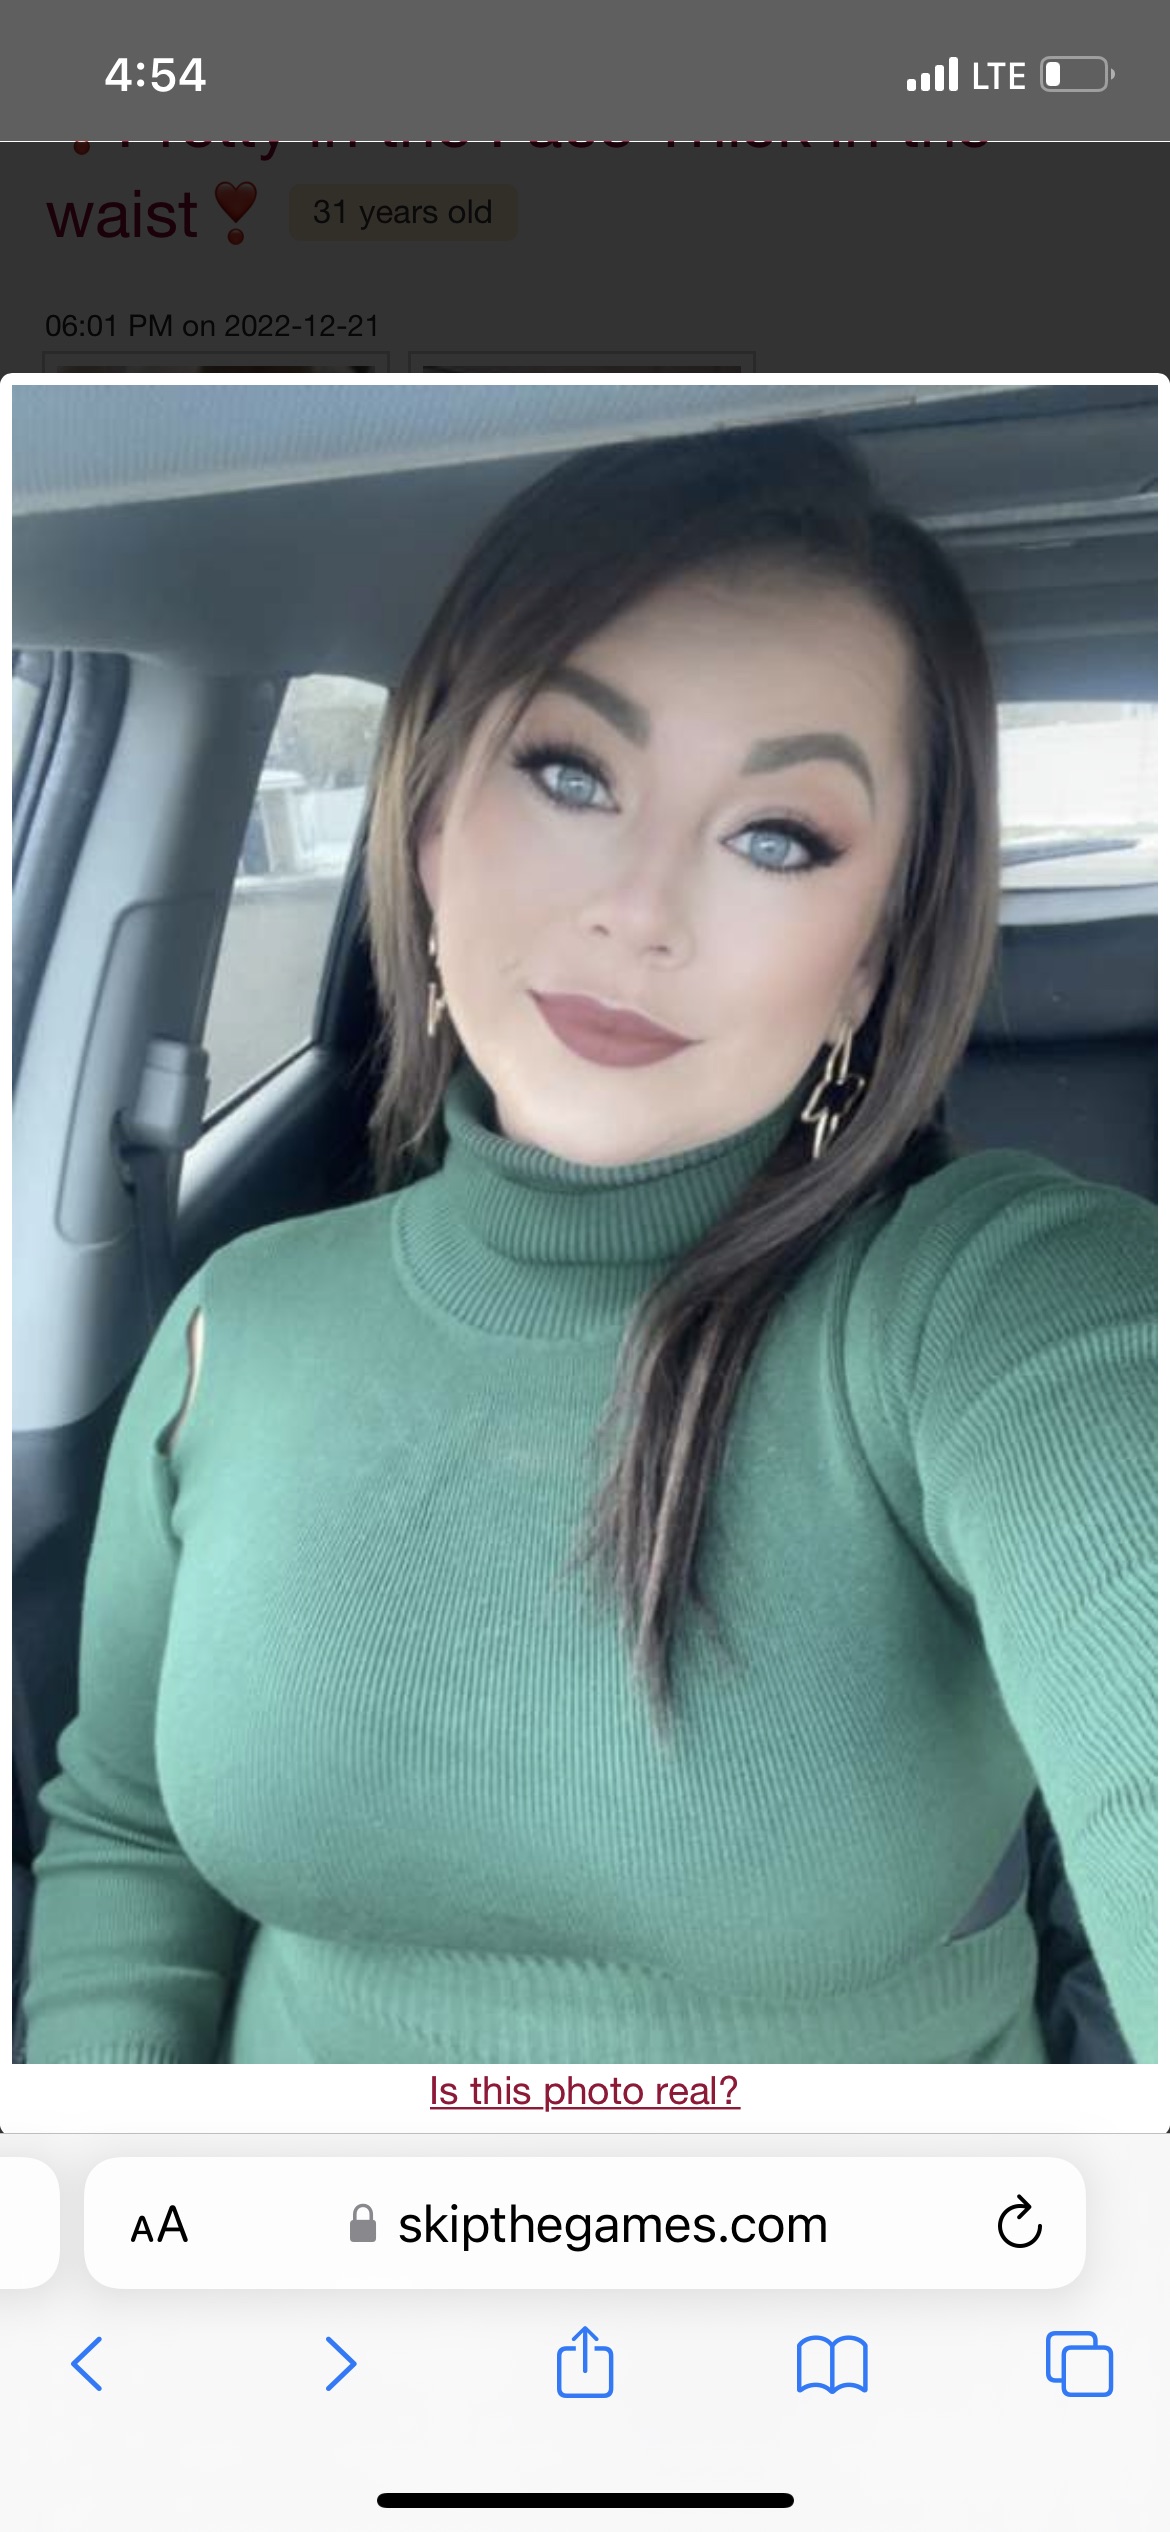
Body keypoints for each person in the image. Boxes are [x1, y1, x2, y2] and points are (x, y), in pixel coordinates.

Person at [21, 419, 1156, 2067]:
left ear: (867, 960)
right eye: (569, 773)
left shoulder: (979, 1306)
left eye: (778, 836)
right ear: (428, 826)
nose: (638, 908)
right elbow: (129, 1834)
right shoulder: (237, 1324)